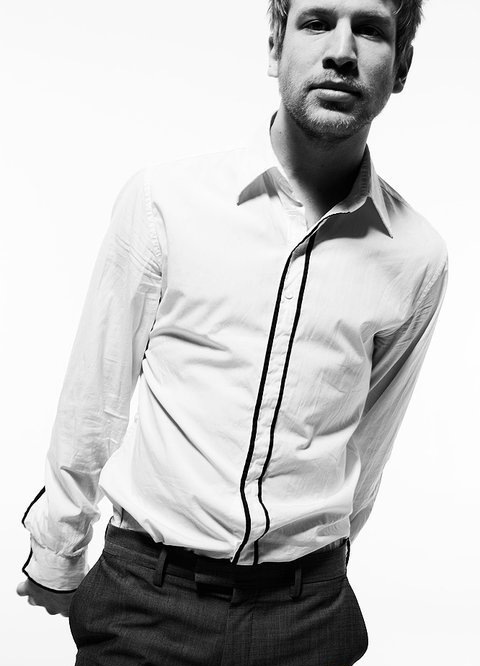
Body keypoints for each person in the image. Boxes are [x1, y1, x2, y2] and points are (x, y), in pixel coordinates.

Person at [17, 0, 448, 664]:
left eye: (369, 29)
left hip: (307, 615)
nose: (342, 51)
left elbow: (369, 445)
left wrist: (322, 570)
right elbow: (95, 399)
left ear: (403, 65)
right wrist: (58, 549)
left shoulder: (415, 256)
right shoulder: (165, 202)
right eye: (316, 22)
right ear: (276, 44)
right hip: (146, 599)